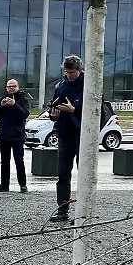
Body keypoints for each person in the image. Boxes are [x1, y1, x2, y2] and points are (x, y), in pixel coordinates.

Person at [48, 55, 84, 223]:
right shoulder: (61, 85)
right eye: (67, 72)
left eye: (72, 72)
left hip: (82, 134)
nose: (69, 76)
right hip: (64, 133)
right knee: (63, 174)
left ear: (80, 70)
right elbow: (54, 106)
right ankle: (63, 210)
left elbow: (94, 112)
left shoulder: (88, 84)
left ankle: (84, 211)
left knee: (84, 175)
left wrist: (74, 110)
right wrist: (54, 115)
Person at [0, 79, 30, 193]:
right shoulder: (2, 98)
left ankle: (23, 185)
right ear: (6, 88)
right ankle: (4, 185)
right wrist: (1, 106)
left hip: (18, 135)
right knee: (4, 162)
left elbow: (24, 114)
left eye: (14, 86)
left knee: (19, 161)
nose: (11, 88)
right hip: (4, 135)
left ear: (18, 87)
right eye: (9, 86)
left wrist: (14, 105)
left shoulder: (23, 99)